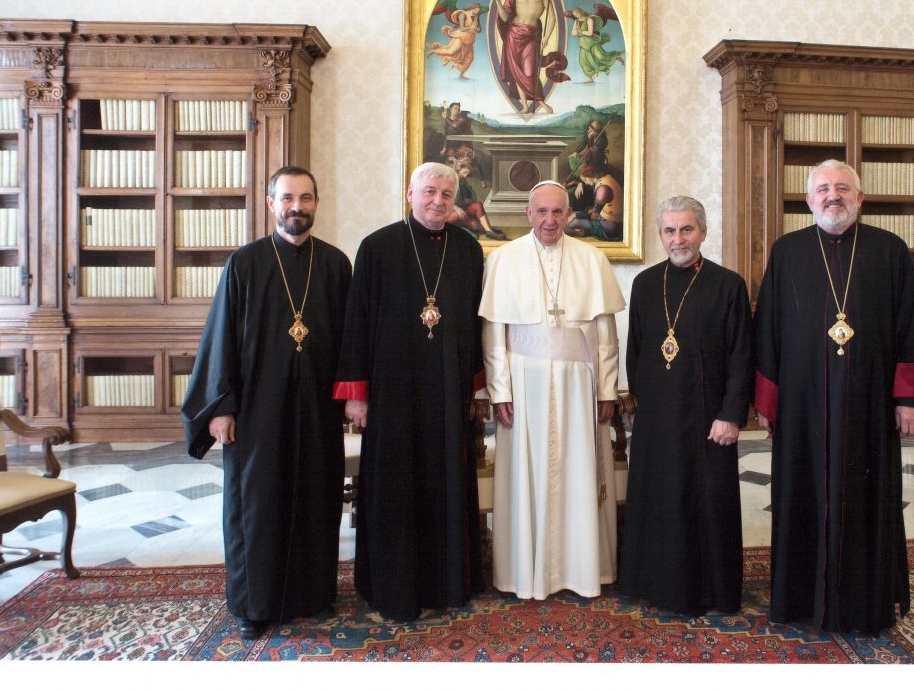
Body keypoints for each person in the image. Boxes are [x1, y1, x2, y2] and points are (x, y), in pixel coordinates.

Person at [752, 158, 914, 634]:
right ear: (808, 199)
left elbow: (911, 324)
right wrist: (768, 402)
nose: (832, 196)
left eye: (842, 188)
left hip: (870, 404)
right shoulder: (787, 251)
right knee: (802, 495)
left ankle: (865, 603)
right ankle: (799, 599)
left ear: (859, 197)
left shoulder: (889, 249)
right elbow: (768, 330)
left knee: (867, 498)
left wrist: (909, 400)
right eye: (823, 189)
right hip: (802, 407)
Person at [181, 166, 352, 640]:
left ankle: (312, 594)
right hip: (257, 410)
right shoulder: (245, 263)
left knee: (315, 497)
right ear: (271, 203)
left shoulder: (335, 264)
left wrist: (351, 397)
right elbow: (220, 338)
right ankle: (252, 604)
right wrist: (221, 406)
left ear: (317, 202)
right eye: (288, 198)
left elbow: (350, 340)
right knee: (256, 505)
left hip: (317, 408)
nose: (297, 206)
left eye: (306, 198)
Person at [333, 161, 485, 622]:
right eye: (429, 191)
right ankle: (392, 586)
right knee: (395, 487)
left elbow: (476, 324)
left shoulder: (468, 249)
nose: (437, 201)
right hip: (392, 392)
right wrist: (357, 394)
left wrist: (477, 388)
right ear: (410, 193)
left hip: (448, 391)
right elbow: (357, 322)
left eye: (446, 194)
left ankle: (447, 584)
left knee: (445, 483)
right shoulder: (377, 247)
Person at [479, 180, 625, 599]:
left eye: (558, 212)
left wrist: (607, 390)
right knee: (526, 476)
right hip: (524, 384)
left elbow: (605, 335)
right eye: (541, 211)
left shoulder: (592, 258)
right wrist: (500, 391)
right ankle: (523, 572)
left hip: (579, 386)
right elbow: (494, 334)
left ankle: (580, 570)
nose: (549, 220)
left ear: (569, 214)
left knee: (579, 473)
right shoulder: (503, 259)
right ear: (528, 213)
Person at [619, 196, 752, 616]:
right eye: (670, 231)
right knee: (659, 499)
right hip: (657, 417)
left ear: (703, 232)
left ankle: (708, 592)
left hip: (708, 419)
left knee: (704, 503)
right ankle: (655, 584)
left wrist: (731, 415)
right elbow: (636, 349)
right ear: (660, 235)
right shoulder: (645, 284)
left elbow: (741, 356)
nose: (678, 239)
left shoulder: (728, 285)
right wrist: (639, 404)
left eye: (687, 229)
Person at [490, 0, 568, 114]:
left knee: (529, 71)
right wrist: (498, 1)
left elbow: (552, 17)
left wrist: (546, 37)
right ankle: (525, 106)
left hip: (531, 35)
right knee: (516, 71)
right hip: (513, 34)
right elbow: (505, 17)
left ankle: (541, 102)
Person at [565, 162, 623, 241]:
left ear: (590, 175)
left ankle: (581, 233)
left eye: (585, 179)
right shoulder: (605, 179)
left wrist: (576, 216)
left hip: (612, 226)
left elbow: (594, 215)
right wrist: (576, 215)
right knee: (573, 217)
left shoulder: (603, 188)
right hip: (606, 219)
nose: (585, 182)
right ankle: (583, 231)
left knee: (573, 223)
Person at [567, 5, 625, 83]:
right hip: (583, 44)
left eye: (577, 13)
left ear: (580, 11)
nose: (577, 15)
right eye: (575, 15)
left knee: (601, 56)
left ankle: (616, 58)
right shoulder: (576, 22)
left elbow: (590, 33)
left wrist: (581, 32)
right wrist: (579, 32)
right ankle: (590, 79)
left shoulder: (589, 19)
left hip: (592, 42)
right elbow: (573, 33)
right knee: (583, 61)